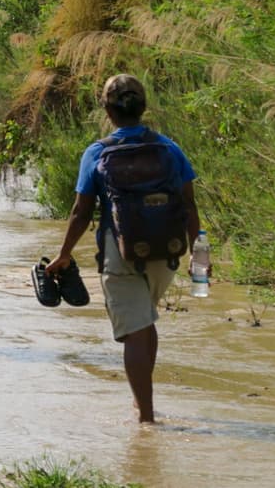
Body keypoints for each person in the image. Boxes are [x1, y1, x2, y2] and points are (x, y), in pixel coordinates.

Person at [45, 74, 200, 423]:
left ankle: (145, 419)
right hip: (168, 251)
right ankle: (143, 402)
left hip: (122, 251)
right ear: (143, 108)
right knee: (145, 319)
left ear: (107, 111)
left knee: (134, 330)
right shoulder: (169, 148)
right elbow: (189, 205)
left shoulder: (98, 152)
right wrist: (199, 252)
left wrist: (65, 253)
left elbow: (81, 212)